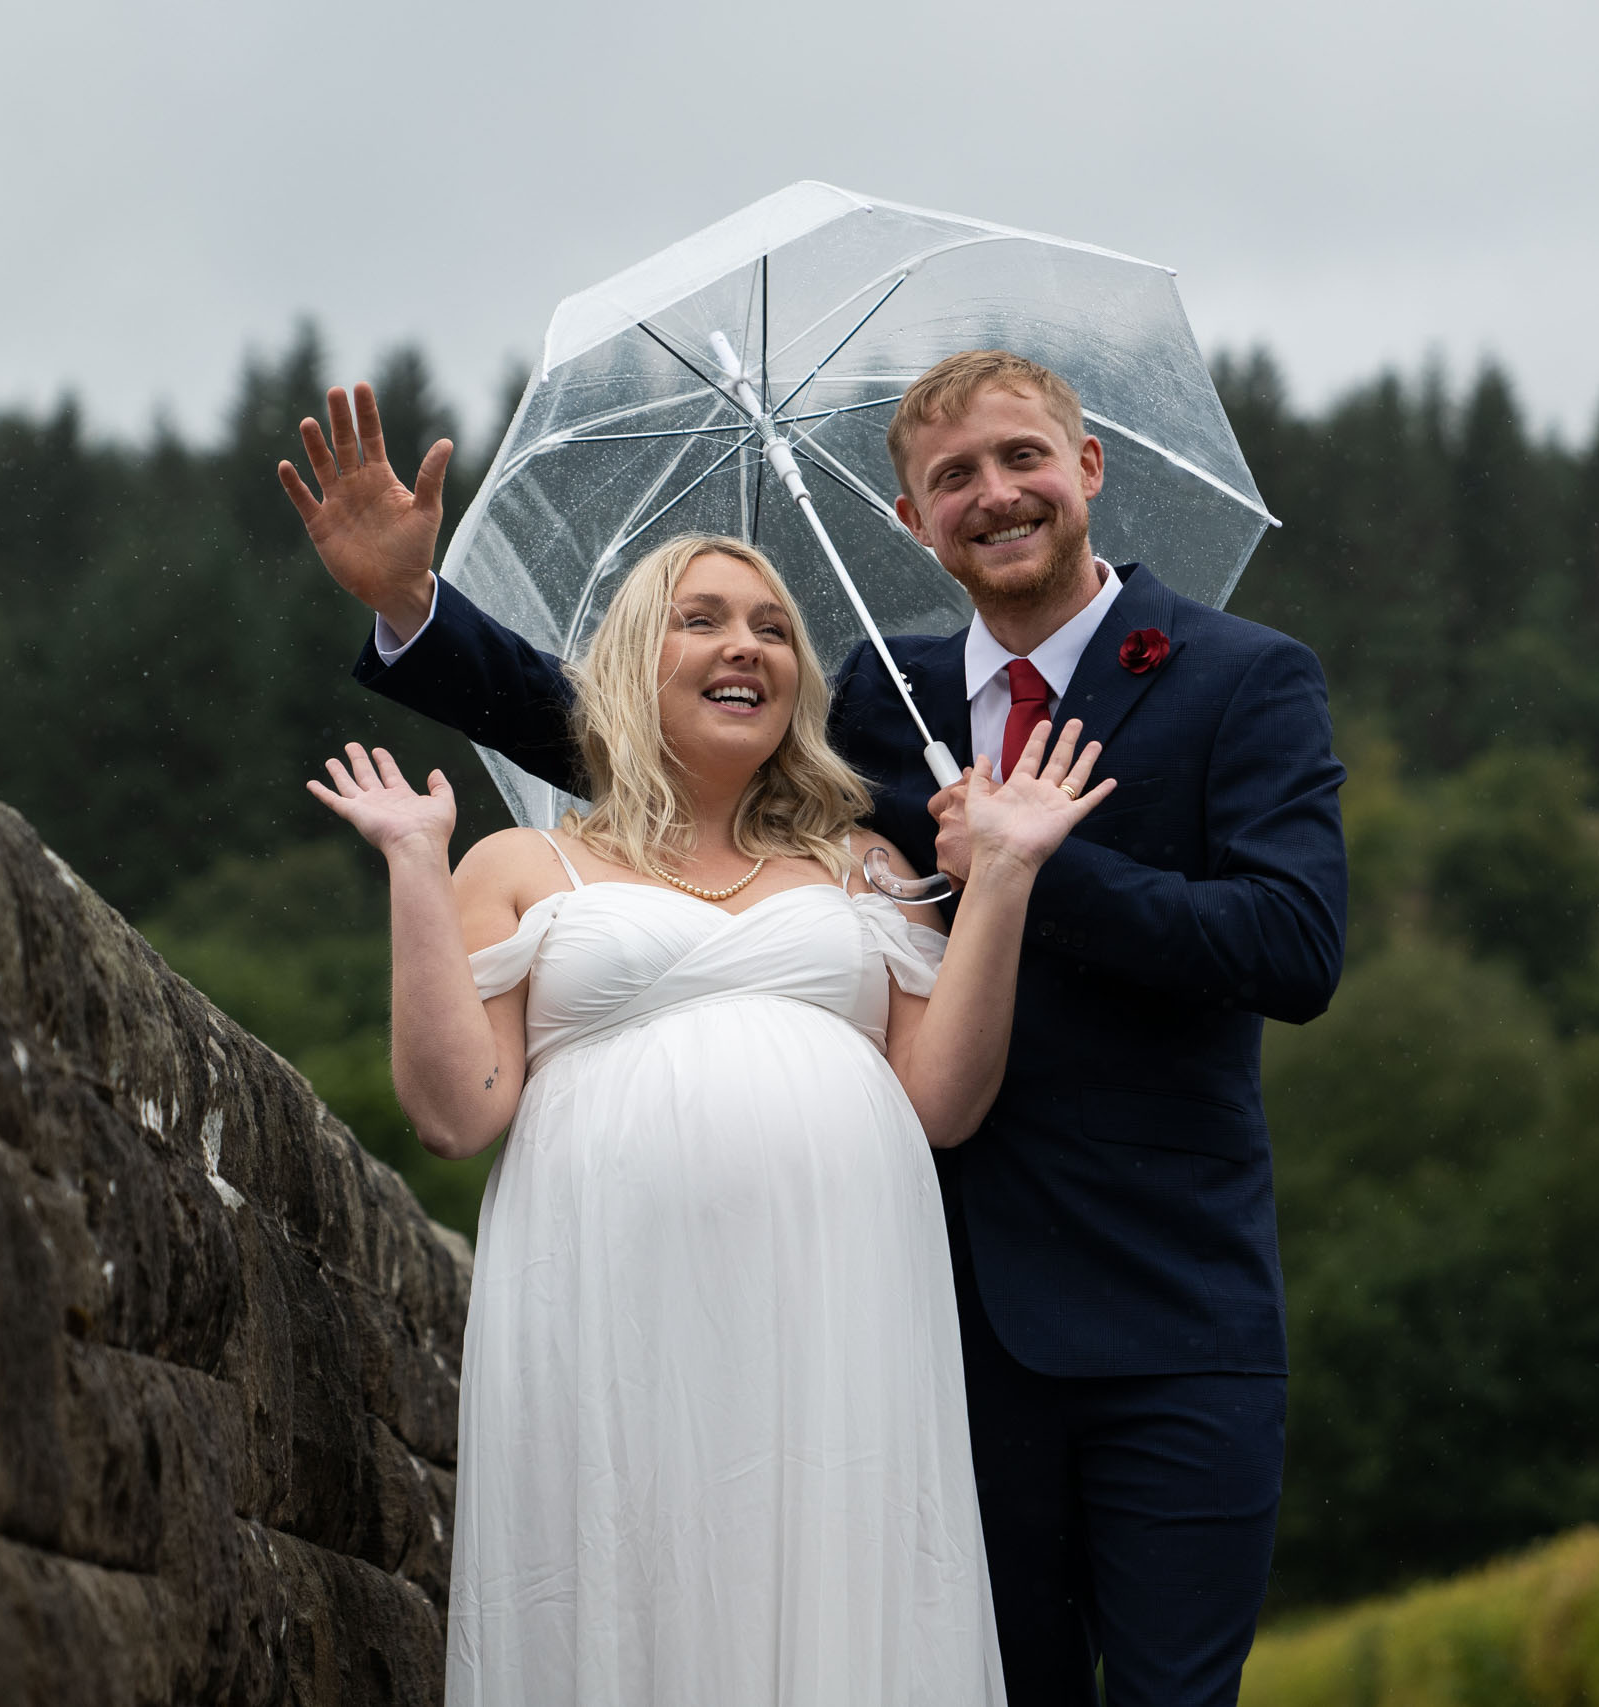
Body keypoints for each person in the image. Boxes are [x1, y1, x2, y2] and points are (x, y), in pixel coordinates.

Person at [281, 349, 1348, 1705]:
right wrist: (415, 608)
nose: (995, 493)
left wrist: (1035, 866)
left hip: (1168, 1303)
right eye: (953, 475)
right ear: (913, 519)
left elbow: (1292, 944)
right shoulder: (883, 695)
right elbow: (663, 740)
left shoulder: (1241, 678)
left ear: (1087, 469)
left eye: (1023, 457)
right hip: (933, 1309)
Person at [306, 530, 1112, 1705]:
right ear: (634, 661)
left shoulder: (869, 868)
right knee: (630, 1570)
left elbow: (943, 1101)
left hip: (838, 1320)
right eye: (704, 619)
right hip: (605, 1304)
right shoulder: (524, 862)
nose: (746, 645)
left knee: (836, 1575)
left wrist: (1002, 881)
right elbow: (454, 1112)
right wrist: (416, 869)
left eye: (773, 628)